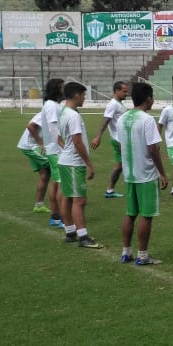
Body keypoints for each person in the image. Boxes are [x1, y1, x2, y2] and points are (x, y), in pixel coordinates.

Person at [117, 82, 169, 265]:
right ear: (148, 99)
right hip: (146, 174)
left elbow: (121, 144)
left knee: (130, 213)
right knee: (146, 215)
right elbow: (153, 149)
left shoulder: (123, 118)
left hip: (130, 173)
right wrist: (162, 173)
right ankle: (142, 255)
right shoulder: (147, 120)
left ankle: (126, 252)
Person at [57, 81, 102, 249]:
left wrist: (66, 150)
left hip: (65, 161)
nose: (84, 98)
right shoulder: (73, 115)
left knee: (67, 197)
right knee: (79, 200)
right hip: (74, 163)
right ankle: (83, 237)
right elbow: (77, 142)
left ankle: (70, 232)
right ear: (76, 95)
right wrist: (89, 164)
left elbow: (58, 137)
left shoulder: (63, 112)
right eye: (83, 95)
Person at [91, 80, 129, 198]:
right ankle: (133, 189)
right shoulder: (113, 104)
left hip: (120, 139)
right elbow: (106, 121)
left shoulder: (119, 104)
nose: (126, 94)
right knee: (130, 163)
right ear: (116, 91)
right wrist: (98, 137)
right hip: (119, 140)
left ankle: (110, 190)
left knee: (120, 166)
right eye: (124, 91)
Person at [39, 78, 66, 229]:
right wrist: (64, 146)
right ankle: (62, 217)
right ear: (57, 89)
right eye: (62, 87)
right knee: (62, 183)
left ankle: (55, 216)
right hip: (56, 150)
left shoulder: (52, 105)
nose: (65, 90)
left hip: (53, 149)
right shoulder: (51, 106)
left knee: (55, 182)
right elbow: (53, 128)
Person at [16, 110, 53, 215]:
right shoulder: (47, 112)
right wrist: (40, 143)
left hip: (32, 146)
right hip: (30, 146)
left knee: (45, 174)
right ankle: (65, 201)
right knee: (58, 168)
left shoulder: (54, 112)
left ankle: (39, 206)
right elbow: (30, 126)